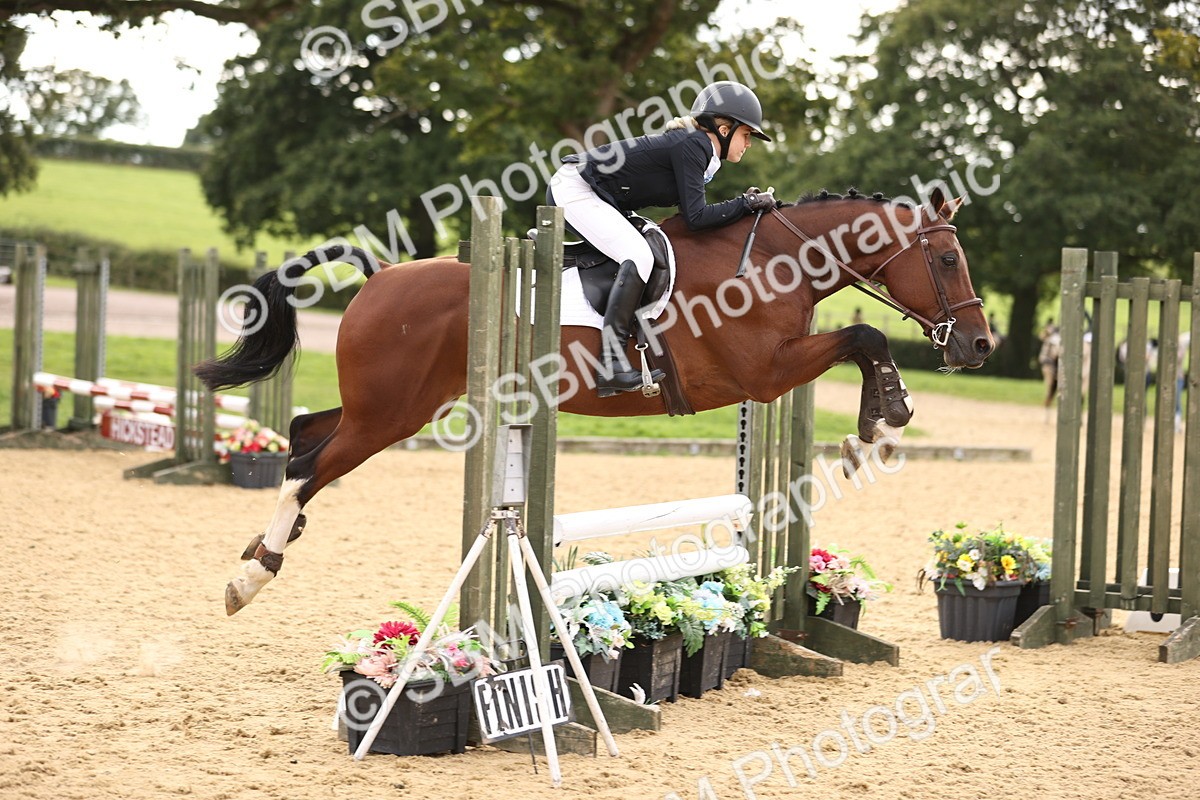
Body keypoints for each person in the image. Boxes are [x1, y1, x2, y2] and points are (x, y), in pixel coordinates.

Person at [549, 80, 775, 397]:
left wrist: (743, 205)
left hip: (595, 193)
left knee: (645, 245)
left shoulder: (697, 148)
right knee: (639, 256)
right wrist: (746, 204)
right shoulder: (693, 146)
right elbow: (696, 218)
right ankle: (611, 364)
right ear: (724, 129)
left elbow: (691, 217)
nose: (749, 143)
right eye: (747, 135)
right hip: (576, 189)